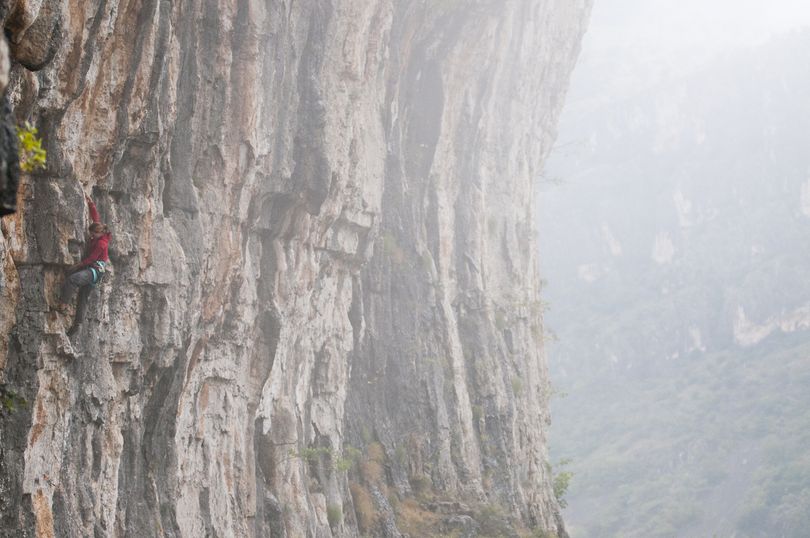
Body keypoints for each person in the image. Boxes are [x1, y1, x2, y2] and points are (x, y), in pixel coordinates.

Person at [58, 194, 111, 333]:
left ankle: (63, 304)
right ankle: (77, 325)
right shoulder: (100, 232)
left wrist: (77, 266)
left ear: (98, 233)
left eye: (92, 234)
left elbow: (92, 259)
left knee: (73, 279)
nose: (91, 236)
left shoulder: (101, 243)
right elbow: (96, 218)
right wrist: (91, 204)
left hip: (95, 271)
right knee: (82, 298)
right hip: (93, 269)